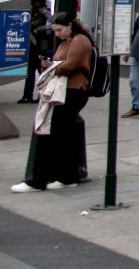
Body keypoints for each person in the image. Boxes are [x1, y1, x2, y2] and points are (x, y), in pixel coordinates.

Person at [12, 12, 93, 193]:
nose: (57, 34)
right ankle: (66, 175)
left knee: (55, 131)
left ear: (70, 25)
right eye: (55, 31)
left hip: (72, 90)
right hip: (67, 90)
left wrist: (51, 67)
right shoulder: (69, 41)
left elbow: (69, 65)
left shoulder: (79, 41)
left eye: (60, 30)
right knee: (63, 133)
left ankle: (57, 176)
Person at [19, 0, 51, 104]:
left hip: (41, 46)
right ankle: (27, 95)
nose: (34, 4)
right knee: (30, 71)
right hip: (32, 45)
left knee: (41, 71)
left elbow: (51, 23)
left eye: (36, 2)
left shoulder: (44, 13)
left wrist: (39, 29)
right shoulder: (32, 13)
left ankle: (40, 95)